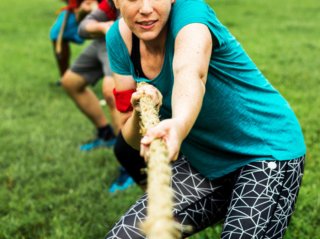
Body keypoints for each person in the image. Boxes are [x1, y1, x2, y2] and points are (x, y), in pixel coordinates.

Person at [104, 0, 307, 238]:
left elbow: (190, 73)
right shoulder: (118, 41)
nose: (146, 8)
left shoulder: (192, 13)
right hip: (205, 161)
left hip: (265, 151)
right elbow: (128, 133)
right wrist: (140, 109)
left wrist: (179, 125)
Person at [61, 0, 135, 192]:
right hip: (103, 39)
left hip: (123, 40)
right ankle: (106, 133)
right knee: (70, 82)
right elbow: (83, 27)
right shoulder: (109, 4)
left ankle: (129, 163)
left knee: (112, 92)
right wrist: (102, 26)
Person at [50, 0, 98, 83]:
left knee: (110, 37)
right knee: (56, 34)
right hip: (75, 9)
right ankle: (65, 78)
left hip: (104, 8)